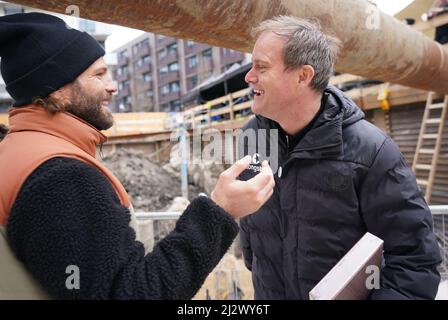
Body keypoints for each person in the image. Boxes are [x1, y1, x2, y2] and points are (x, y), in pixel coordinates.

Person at [0, 12, 275, 299]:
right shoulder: (60, 175)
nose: (113, 85)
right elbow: (132, 293)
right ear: (56, 92)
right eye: (98, 74)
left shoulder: (18, 152)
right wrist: (221, 211)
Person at [239, 15, 442, 300]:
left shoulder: (372, 152)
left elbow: (414, 263)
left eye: (261, 66)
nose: (249, 76)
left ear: (303, 76)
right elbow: (252, 238)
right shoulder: (252, 140)